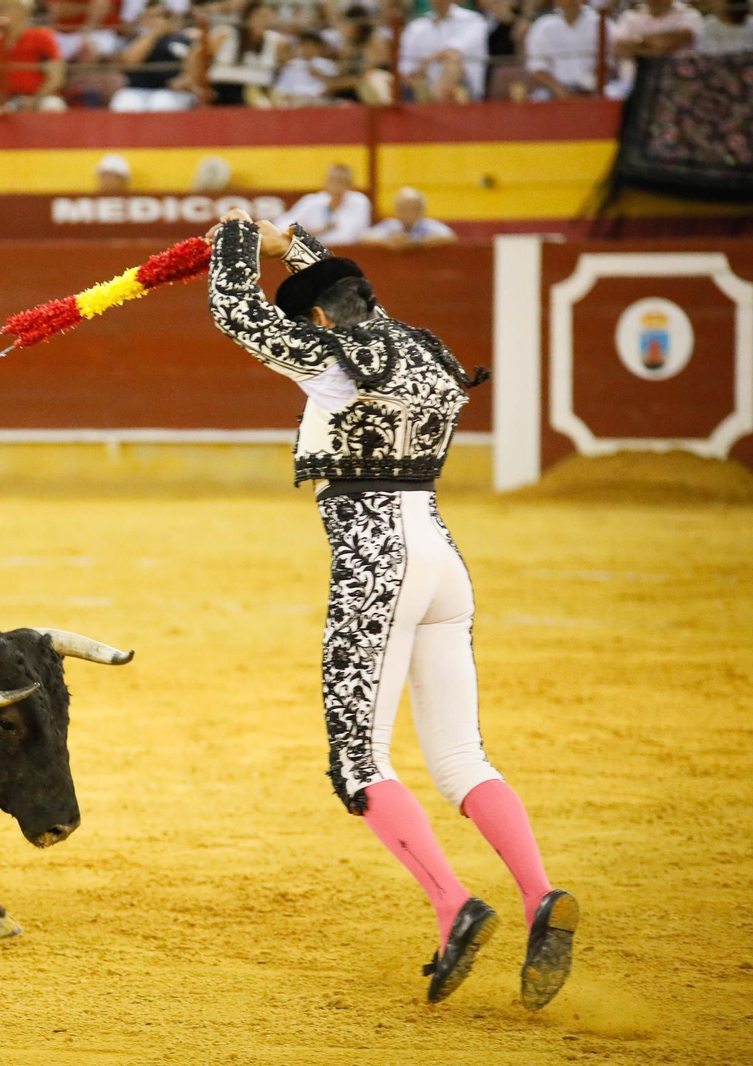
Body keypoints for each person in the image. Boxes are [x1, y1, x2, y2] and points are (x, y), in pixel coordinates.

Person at [201, 209, 577, 1009]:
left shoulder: (332, 358)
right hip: (442, 558)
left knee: (359, 760)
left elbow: (234, 310)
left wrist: (235, 237)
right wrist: (291, 244)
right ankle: (541, 893)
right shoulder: (426, 351)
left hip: (378, 560)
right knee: (461, 756)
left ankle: (452, 907)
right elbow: (337, 297)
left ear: (317, 317)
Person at [109, 0, 195, 111]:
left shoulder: (182, 38)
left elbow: (195, 66)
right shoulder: (135, 39)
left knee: (162, 103)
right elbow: (130, 63)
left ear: (170, 18)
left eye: (161, 16)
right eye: (150, 17)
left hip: (170, 91)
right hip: (138, 89)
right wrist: (154, 35)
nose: (156, 21)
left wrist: (184, 81)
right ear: (143, 19)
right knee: (123, 103)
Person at [399, 0, 488, 103]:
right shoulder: (417, 25)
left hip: (466, 91)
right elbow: (404, 66)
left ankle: (436, 105)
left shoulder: (473, 20)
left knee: (452, 62)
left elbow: (453, 51)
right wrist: (417, 72)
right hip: (422, 88)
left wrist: (429, 59)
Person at [523, 0, 612, 100]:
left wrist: (591, 85)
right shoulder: (543, 26)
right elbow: (537, 66)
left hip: (594, 89)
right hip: (553, 92)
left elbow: (609, 60)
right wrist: (561, 91)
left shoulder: (600, 22)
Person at [202, 0, 282, 106]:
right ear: (247, 17)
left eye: (267, 17)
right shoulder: (224, 34)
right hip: (223, 92)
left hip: (260, 94)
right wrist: (199, 87)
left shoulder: (277, 42)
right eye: (259, 16)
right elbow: (198, 57)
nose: (262, 21)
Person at [0, 0, 64, 110]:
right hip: (6, 100)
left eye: (5, 7)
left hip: (40, 98)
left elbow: (56, 77)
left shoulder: (41, 36)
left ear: (23, 11)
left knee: (52, 106)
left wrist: (35, 99)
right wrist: (1, 101)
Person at [611, 0, 701, 92]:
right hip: (632, 84)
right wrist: (655, 45)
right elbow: (621, 48)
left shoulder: (689, 15)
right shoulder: (630, 16)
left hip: (676, 86)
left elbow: (676, 40)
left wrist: (637, 47)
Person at [275, 163, 371, 247]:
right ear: (325, 182)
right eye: (332, 180)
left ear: (351, 184)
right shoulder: (311, 202)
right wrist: (312, 232)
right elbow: (282, 226)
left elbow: (359, 235)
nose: (337, 185)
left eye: (342, 181)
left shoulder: (359, 202)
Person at [361, 187, 456, 250]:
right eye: (403, 208)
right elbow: (366, 237)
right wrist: (386, 242)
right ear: (396, 211)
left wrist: (415, 242)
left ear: (421, 211)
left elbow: (449, 236)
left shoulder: (428, 225)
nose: (407, 213)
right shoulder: (392, 225)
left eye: (412, 209)